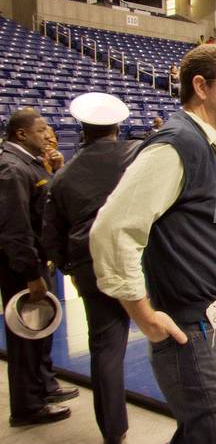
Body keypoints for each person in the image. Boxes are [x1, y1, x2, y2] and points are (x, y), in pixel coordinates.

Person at [90, 44, 216, 444]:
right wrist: (143, 314)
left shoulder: (203, 144)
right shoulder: (176, 144)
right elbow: (111, 230)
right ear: (200, 86)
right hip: (194, 332)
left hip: (210, 325)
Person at [42, 93, 138, 444]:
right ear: (118, 126)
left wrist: (71, 267)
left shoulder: (63, 176)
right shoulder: (137, 156)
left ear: (82, 130)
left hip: (90, 266)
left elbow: (51, 236)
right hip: (138, 260)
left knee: (106, 349)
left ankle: (114, 432)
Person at [0, 109, 77, 427]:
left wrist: (55, 170)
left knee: (41, 332)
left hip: (35, 262)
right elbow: (15, 228)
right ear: (21, 134)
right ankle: (27, 406)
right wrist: (31, 274)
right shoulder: (10, 167)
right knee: (25, 338)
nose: (49, 135)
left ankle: (44, 386)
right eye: (42, 129)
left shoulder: (30, 163)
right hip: (21, 269)